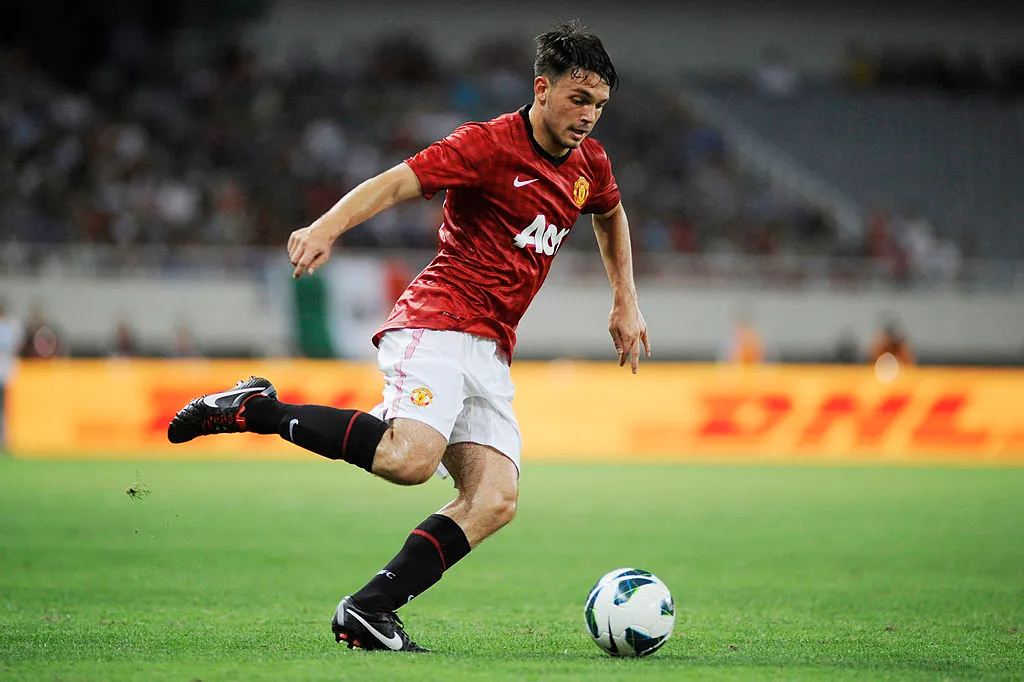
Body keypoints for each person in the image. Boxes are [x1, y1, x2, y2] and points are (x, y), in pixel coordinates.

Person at [167, 21, 649, 653]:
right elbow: (395, 181)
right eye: (578, 100)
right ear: (542, 88)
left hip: (492, 345)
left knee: (495, 498)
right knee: (409, 459)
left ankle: (368, 610)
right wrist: (326, 227)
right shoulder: (488, 145)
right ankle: (255, 409)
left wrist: (626, 300)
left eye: (600, 106)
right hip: (438, 319)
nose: (589, 116)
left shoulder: (590, 164)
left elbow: (610, 215)